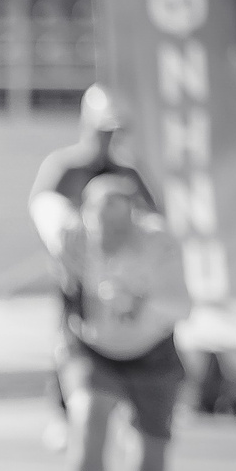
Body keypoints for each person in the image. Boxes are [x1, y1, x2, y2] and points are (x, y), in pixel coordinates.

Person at [56, 175, 187, 471]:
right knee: (88, 427)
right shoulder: (76, 239)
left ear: (131, 215)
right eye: (97, 220)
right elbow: (44, 209)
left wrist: (137, 302)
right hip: (95, 351)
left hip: (151, 355)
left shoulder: (159, 244)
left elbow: (181, 304)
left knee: (149, 462)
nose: (104, 234)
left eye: (114, 222)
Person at [30, 86, 154, 447]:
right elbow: (43, 209)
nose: (107, 138)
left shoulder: (127, 172)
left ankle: (132, 414)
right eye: (102, 130)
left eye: (112, 131)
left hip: (124, 281)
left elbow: (150, 217)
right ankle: (63, 414)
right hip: (77, 278)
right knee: (70, 345)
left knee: (132, 340)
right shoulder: (64, 166)